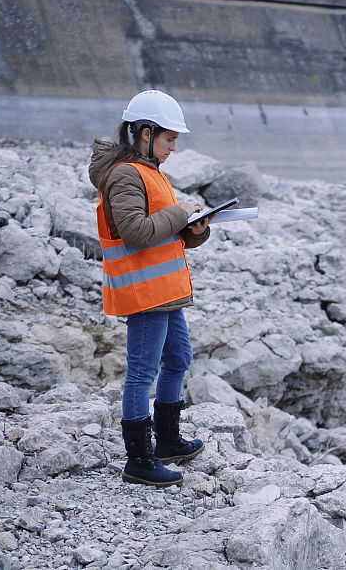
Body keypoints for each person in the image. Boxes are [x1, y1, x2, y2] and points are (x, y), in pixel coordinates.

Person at [88, 90, 212, 487]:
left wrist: (195, 230)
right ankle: (139, 459)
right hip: (145, 293)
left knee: (178, 359)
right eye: (169, 138)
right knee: (142, 374)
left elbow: (163, 232)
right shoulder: (126, 173)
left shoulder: (150, 171)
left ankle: (168, 442)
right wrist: (180, 212)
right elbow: (137, 233)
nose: (174, 147)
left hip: (165, 290)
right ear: (145, 133)